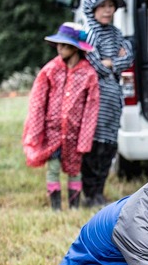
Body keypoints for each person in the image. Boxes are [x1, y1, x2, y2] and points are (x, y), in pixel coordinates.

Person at [22, 22, 100, 211]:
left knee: (74, 170)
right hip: (53, 132)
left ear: (75, 48)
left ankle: (74, 207)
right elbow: (38, 102)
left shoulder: (88, 73)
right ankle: (55, 208)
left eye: (65, 45)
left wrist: (84, 140)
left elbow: (91, 109)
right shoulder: (50, 70)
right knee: (54, 168)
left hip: (75, 133)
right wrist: (36, 129)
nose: (60, 48)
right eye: (58, 44)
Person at [81, 0, 134, 208]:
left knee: (109, 145)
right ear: (92, 8)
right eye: (102, 6)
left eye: (110, 5)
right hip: (95, 98)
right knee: (95, 144)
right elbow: (95, 65)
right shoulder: (88, 33)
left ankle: (99, 192)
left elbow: (129, 57)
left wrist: (111, 62)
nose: (107, 10)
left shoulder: (115, 33)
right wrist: (112, 63)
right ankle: (89, 194)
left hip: (114, 96)